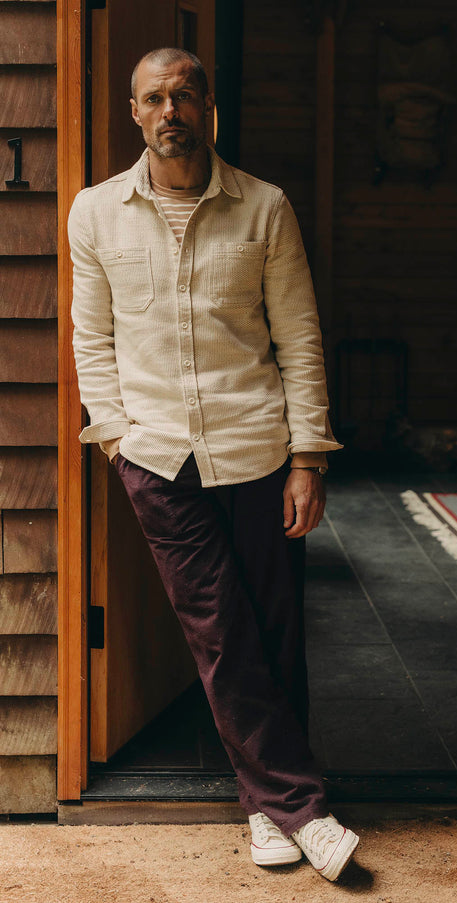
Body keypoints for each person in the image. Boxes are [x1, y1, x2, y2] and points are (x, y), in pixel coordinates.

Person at [68, 47, 359, 882]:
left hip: (258, 446)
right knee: (221, 634)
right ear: (135, 113)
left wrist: (309, 456)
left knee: (273, 627)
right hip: (156, 455)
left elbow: (299, 338)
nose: (171, 112)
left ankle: (269, 808)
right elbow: (93, 339)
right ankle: (303, 805)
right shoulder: (94, 214)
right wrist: (117, 436)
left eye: (184, 95)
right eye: (155, 99)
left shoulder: (264, 208)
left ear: (208, 105)